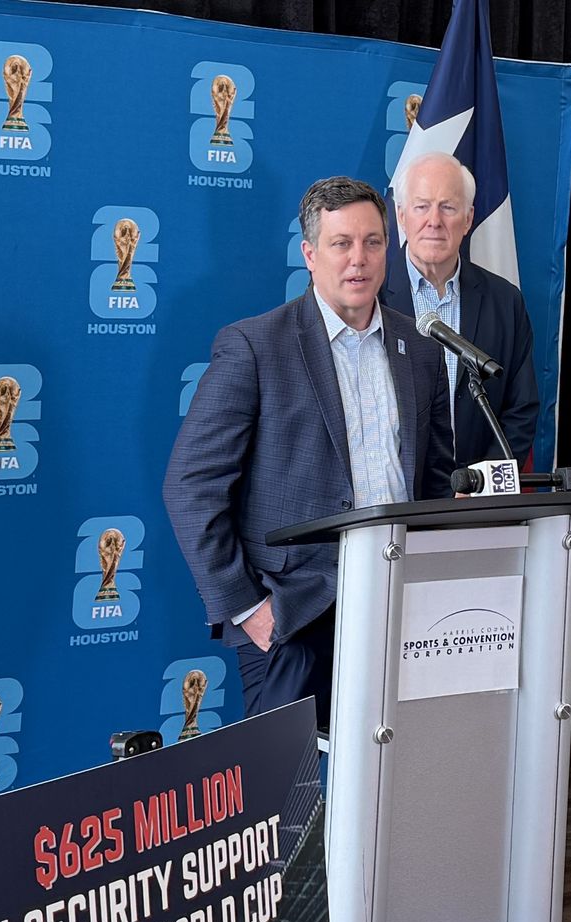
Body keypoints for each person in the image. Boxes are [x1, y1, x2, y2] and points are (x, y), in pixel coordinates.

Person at [164, 176, 456, 730]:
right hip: (293, 614)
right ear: (309, 254)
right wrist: (249, 609)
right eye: (341, 243)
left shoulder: (419, 348)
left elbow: (436, 479)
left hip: (399, 606)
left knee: (390, 787)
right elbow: (189, 486)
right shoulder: (254, 345)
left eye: (372, 242)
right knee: (287, 799)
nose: (359, 259)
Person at [380, 151, 541, 465]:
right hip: (395, 495)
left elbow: (521, 410)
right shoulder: (370, 297)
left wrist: (480, 483)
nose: (434, 221)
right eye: (422, 206)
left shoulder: (505, 301)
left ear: (468, 219)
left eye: (448, 207)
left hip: (475, 501)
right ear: (401, 216)